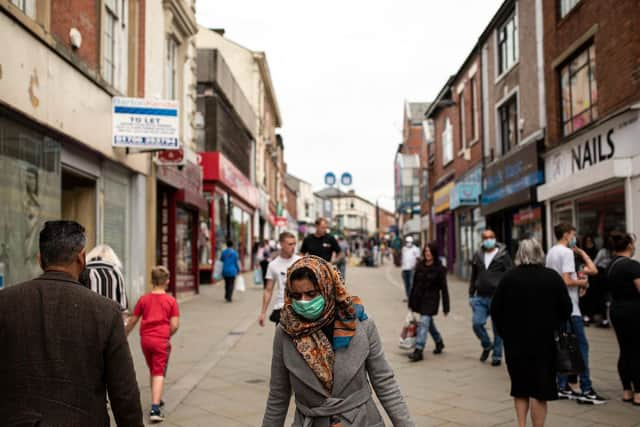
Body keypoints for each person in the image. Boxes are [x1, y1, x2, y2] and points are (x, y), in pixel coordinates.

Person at [0, 220, 143, 426]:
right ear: (81, 258)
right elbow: (124, 393)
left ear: (40, 260)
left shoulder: (5, 302)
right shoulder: (105, 311)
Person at [262, 256, 415, 426]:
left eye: (311, 294)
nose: (303, 301)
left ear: (327, 288)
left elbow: (385, 382)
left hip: (361, 420)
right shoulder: (286, 332)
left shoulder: (361, 325)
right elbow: (278, 395)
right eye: (296, 295)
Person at [491, 238, 572, 427]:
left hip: (515, 343)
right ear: (540, 254)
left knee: (520, 387)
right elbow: (566, 309)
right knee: (540, 390)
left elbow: (495, 309)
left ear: (519, 255)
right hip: (545, 342)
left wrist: (505, 332)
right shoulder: (552, 277)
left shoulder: (509, 277)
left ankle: (521, 424)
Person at [545, 223, 606, 404]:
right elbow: (566, 281)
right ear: (566, 235)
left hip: (557, 307)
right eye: (573, 234)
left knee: (563, 346)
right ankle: (586, 389)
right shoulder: (566, 253)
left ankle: (562, 385)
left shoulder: (551, 252)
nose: (574, 237)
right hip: (571, 308)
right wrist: (583, 284)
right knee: (581, 347)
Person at [126, 266, 179, 422]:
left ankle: (158, 397)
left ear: (152, 281)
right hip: (161, 340)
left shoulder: (143, 299)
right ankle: (155, 408)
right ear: (167, 281)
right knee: (158, 372)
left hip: (146, 341)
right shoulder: (171, 301)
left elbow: (133, 320)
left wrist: (124, 334)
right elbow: (175, 325)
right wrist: (166, 335)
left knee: (153, 369)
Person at [469, 229, 513, 366]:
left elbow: (510, 274)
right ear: (482, 240)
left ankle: (497, 355)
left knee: (497, 328)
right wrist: (471, 294)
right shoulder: (477, 255)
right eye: (486, 237)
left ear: (495, 238)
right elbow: (474, 275)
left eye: (491, 237)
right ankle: (487, 345)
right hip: (480, 297)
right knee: (477, 323)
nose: (489, 240)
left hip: (497, 297)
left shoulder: (503, 255)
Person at [606, 231, 640, 405]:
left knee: (625, 350)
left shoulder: (611, 265)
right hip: (634, 311)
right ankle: (639, 393)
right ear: (628, 246)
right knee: (637, 351)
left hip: (616, 310)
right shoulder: (632, 265)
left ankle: (627, 390)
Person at [407, 241, 449, 362]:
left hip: (431, 300)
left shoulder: (440, 269)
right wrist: (411, 301)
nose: (427, 253)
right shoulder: (420, 265)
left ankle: (419, 350)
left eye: (430, 251)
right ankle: (439, 341)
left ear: (434, 253)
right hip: (419, 299)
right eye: (426, 251)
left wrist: (446, 307)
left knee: (424, 322)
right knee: (428, 324)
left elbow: (444, 289)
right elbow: (414, 284)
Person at [259, 232, 301, 327]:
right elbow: (268, 290)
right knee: (281, 341)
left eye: (294, 243)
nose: (293, 246)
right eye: (290, 244)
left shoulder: (300, 261)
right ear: (281, 244)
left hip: (299, 308)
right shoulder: (273, 265)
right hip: (281, 308)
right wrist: (263, 312)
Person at [81, 244, 128, 322]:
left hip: (88, 317)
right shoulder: (115, 271)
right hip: (110, 318)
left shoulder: (84, 270)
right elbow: (123, 302)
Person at [400, 236, 420, 301]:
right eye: (407, 242)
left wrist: (415, 266)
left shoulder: (416, 249)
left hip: (412, 269)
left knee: (412, 284)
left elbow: (418, 259)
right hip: (405, 269)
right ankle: (408, 297)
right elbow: (403, 258)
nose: (408, 243)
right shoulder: (404, 249)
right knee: (406, 284)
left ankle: (412, 297)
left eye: (409, 242)